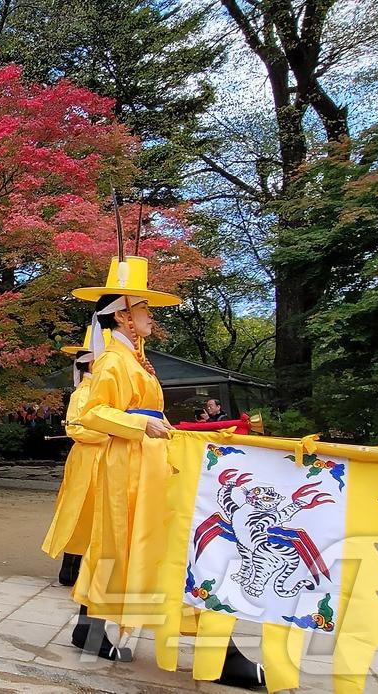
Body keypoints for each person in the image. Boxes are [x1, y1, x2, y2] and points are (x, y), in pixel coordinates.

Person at [70, 256, 262, 685]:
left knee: (130, 546)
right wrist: (141, 422)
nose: (151, 317)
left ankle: (90, 629)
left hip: (147, 462)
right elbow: (93, 413)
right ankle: (217, 651)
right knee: (170, 545)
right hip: (130, 466)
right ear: (123, 314)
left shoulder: (135, 359)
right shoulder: (113, 362)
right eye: (145, 309)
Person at [40, 327, 105, 588]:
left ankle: (87, 569)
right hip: (87, 459)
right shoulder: (83, 393)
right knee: (80, 511)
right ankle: (70, 568)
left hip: (103, 457)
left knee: (99, 514)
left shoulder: (104, 390)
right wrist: (110, 433)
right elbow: (75, 428)